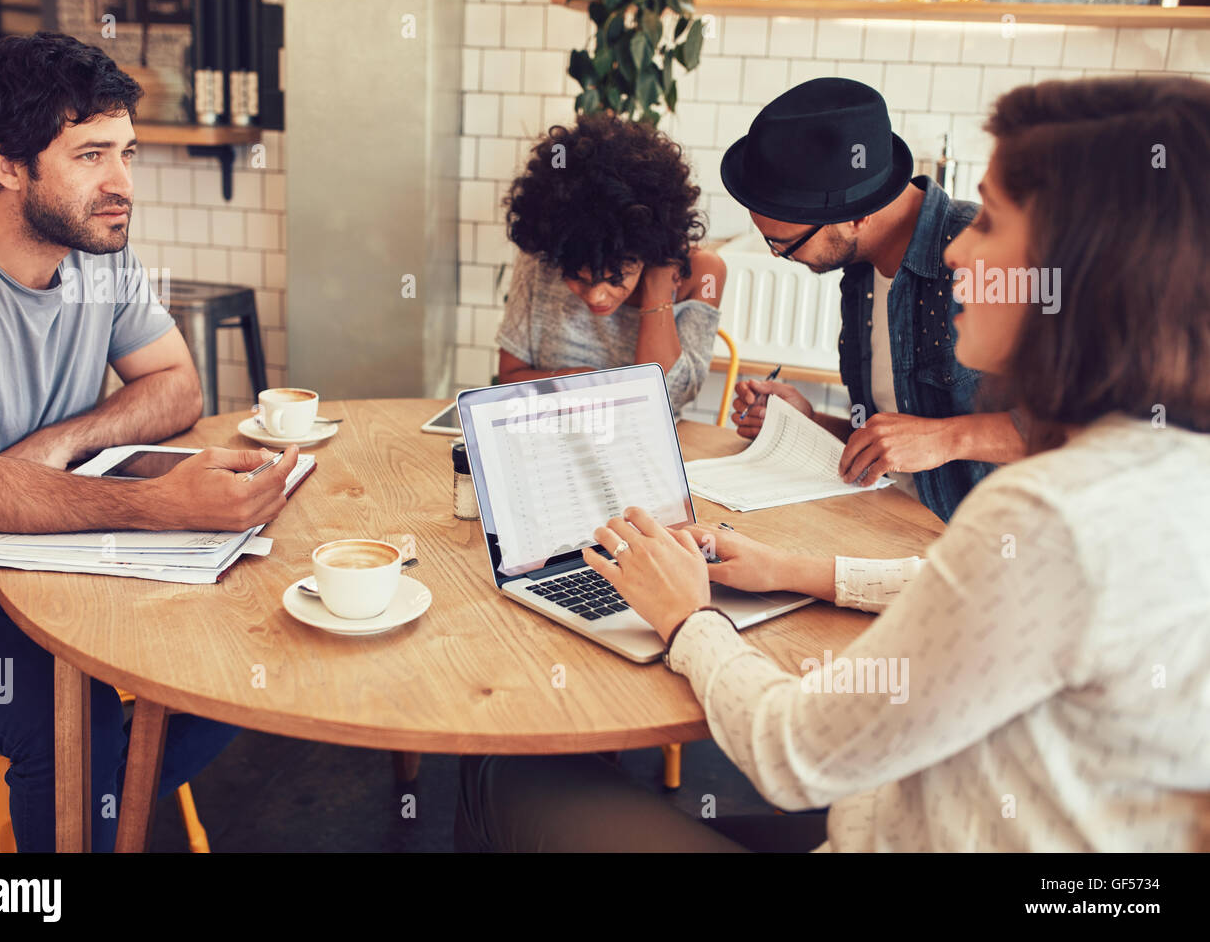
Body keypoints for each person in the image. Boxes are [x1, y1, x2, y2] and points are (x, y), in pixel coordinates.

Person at [456, 75, 1210, 852]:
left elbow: (794, 758)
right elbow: (984, 596)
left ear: (1081, 268)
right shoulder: (1168, 476)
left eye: (989, 219)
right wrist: (793, 569)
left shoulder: (1048, 516)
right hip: (894, 802)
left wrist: (689, 618)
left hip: (868, 817)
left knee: (505, 775)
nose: (956, 246)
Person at [0, 33, 300, 851]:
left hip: (50, 556)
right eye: (91, 155)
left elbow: (177, 384)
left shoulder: (98, 253)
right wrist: (154, 505)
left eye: (127, 152)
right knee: (70, 715)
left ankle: (92, 799)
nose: (122, 185)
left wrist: (56, 442)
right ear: (8, 165)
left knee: (241, 638)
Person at [721, 78, 1026, 522]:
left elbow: (1090, 432)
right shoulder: (861, 272)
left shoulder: (992, 256)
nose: (779, 257)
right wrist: (805, 422)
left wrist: (949, 438)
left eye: (786, 244)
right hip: (888, 523)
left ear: (859, 215)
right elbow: (898, 443)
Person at [495, 112, 726, 417]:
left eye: (615, 278)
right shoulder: (544, 257)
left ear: (648, 246)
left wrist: (657, 290)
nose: (595, 297)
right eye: (577, 278)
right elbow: (509, 380)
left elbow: (665, 400)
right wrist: (575, 382)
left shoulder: (703, 274)